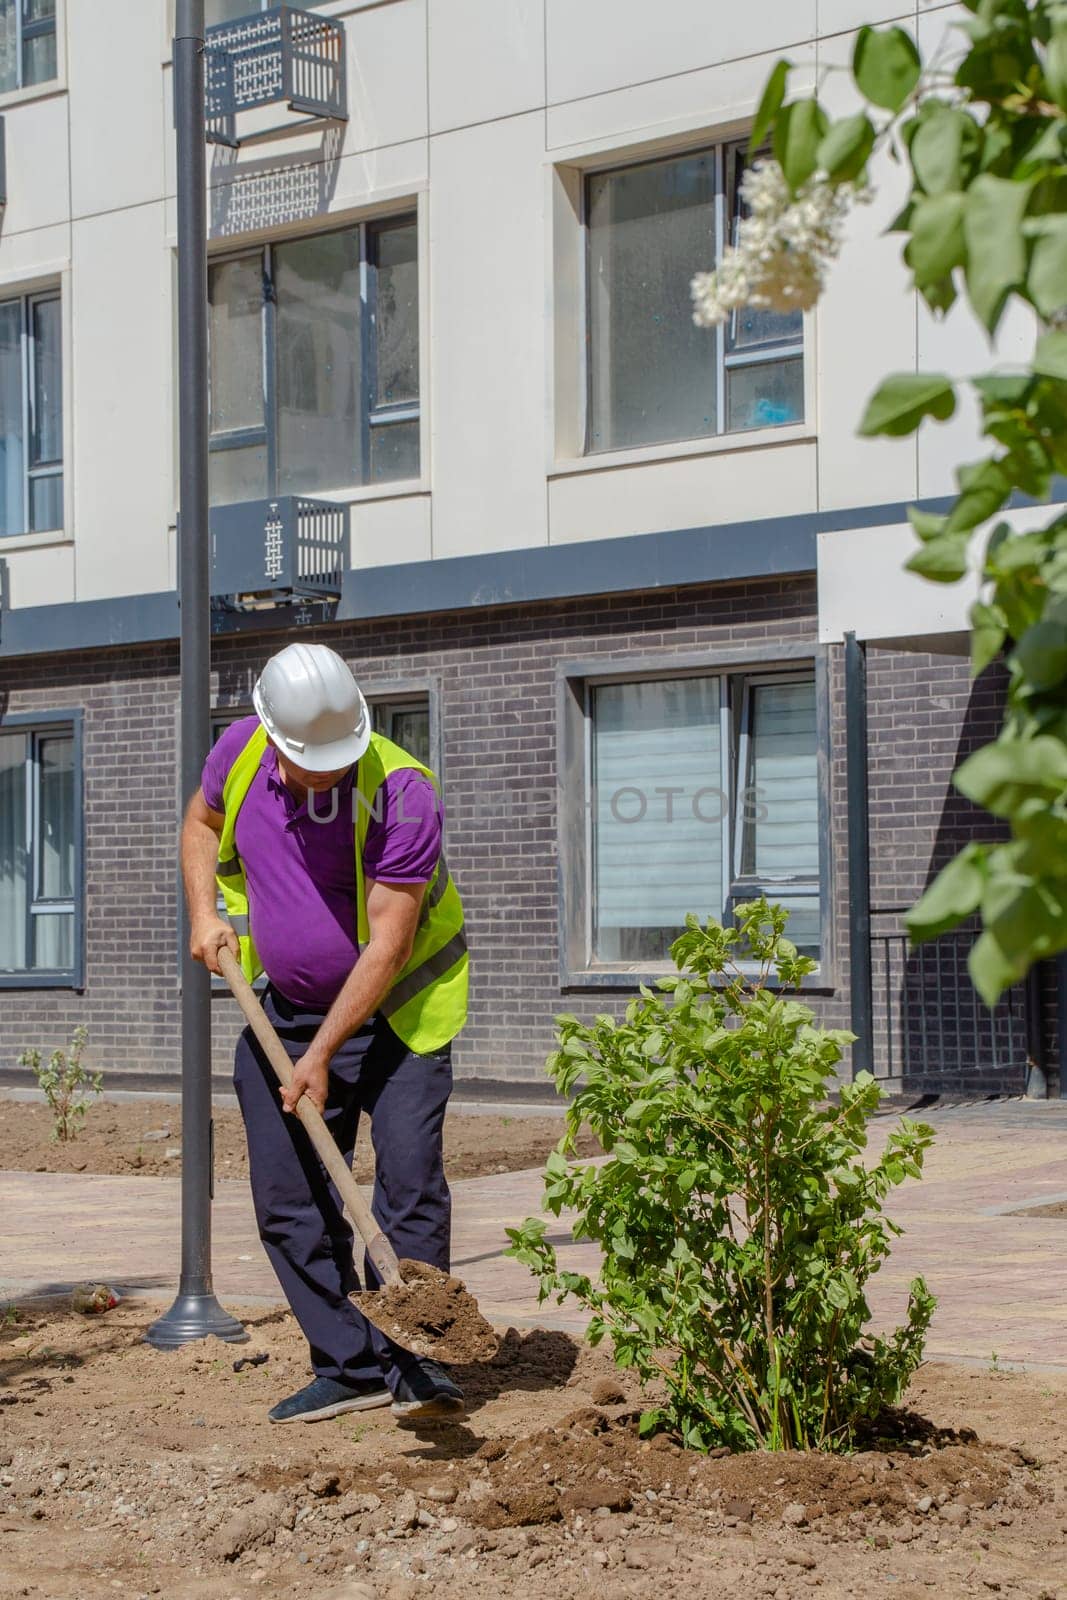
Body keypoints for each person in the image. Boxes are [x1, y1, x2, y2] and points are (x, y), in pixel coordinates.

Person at [181, 641, 469, 1425]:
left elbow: (390, 943)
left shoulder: (402, 794)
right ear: (272, 736)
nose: (330, 773)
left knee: (407, 1185)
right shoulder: (240, 753)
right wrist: (207, 913)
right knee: (289, 1195)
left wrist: (320, 1055)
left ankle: (418, 1360)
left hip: (402, 1010)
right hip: (286, 1005)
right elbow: (203, 826)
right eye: (312, 761)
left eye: (338, 757)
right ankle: (347, 1364)